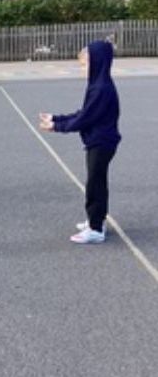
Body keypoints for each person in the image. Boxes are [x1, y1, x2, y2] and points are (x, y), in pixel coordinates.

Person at [39, 40, 121, 244]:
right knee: (97, 182)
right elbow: (84, 113)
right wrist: (57, 118)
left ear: (97, 62)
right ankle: (96, 220)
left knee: (94, 184)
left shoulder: (101, 88)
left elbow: (85, 119)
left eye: (85, 65)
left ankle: (96, 229)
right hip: (99, 141)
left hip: (102, 142)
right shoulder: (97, 86)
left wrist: (57, 127)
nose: (83, 69)